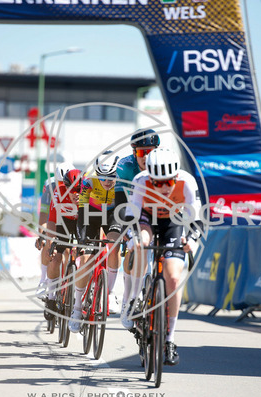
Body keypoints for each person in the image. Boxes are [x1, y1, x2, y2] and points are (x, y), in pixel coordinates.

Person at [125, 147, 204, 366]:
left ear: (176, 176)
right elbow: (131, 215)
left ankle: (169, 339)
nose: (164, 188)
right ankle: (134, 299)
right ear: (149, 177)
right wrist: (133, 239)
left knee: (174, 278)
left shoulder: (187, 182)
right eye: (157, 183)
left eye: (168, 182)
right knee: (142, 243)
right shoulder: (140, 181)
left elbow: (197, 218)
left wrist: (192, 240)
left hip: (173, 221)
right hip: (147, 218)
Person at [68, 151, 121, 333]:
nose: (107, 181)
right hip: (91, 213)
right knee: (85, 260)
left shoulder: (123, 180)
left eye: (111, 177)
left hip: (112, 213)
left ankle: (110, 294)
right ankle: (76, 308)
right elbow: (82, 210)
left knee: (115, 245)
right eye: (103, 177)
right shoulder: (89, 180)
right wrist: (82, 239)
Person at [115, 128, 160, 328]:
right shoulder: (125, 167)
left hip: (157, 210)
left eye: (150, 152)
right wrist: (125, 229)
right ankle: (128, 299)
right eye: (142, 152)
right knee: (134, 247)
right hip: (130, 208)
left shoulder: (164, 163)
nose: (146, 157)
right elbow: (120, 202)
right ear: (134, 153)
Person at [42, 168, 83, 321]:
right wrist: (51, 242)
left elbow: (94, 222)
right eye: (72, 190)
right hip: (63, 222)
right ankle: (51, 298)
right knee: (56, 257)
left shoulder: (89, 193)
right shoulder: (58, 193)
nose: (75, 194)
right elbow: (52, 220)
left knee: (86, 256)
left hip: (81, 222)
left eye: (78, 190)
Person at [35, 162, 74, 298]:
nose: (64, 187)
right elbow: (44, 214)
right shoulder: (50, 186)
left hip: (71, 216)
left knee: (69, 250)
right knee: (48, 241)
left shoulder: (80, 184)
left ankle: (69, 282)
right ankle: (43, 280)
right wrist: (42, 234)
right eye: (60, 183)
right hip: (55, 215)